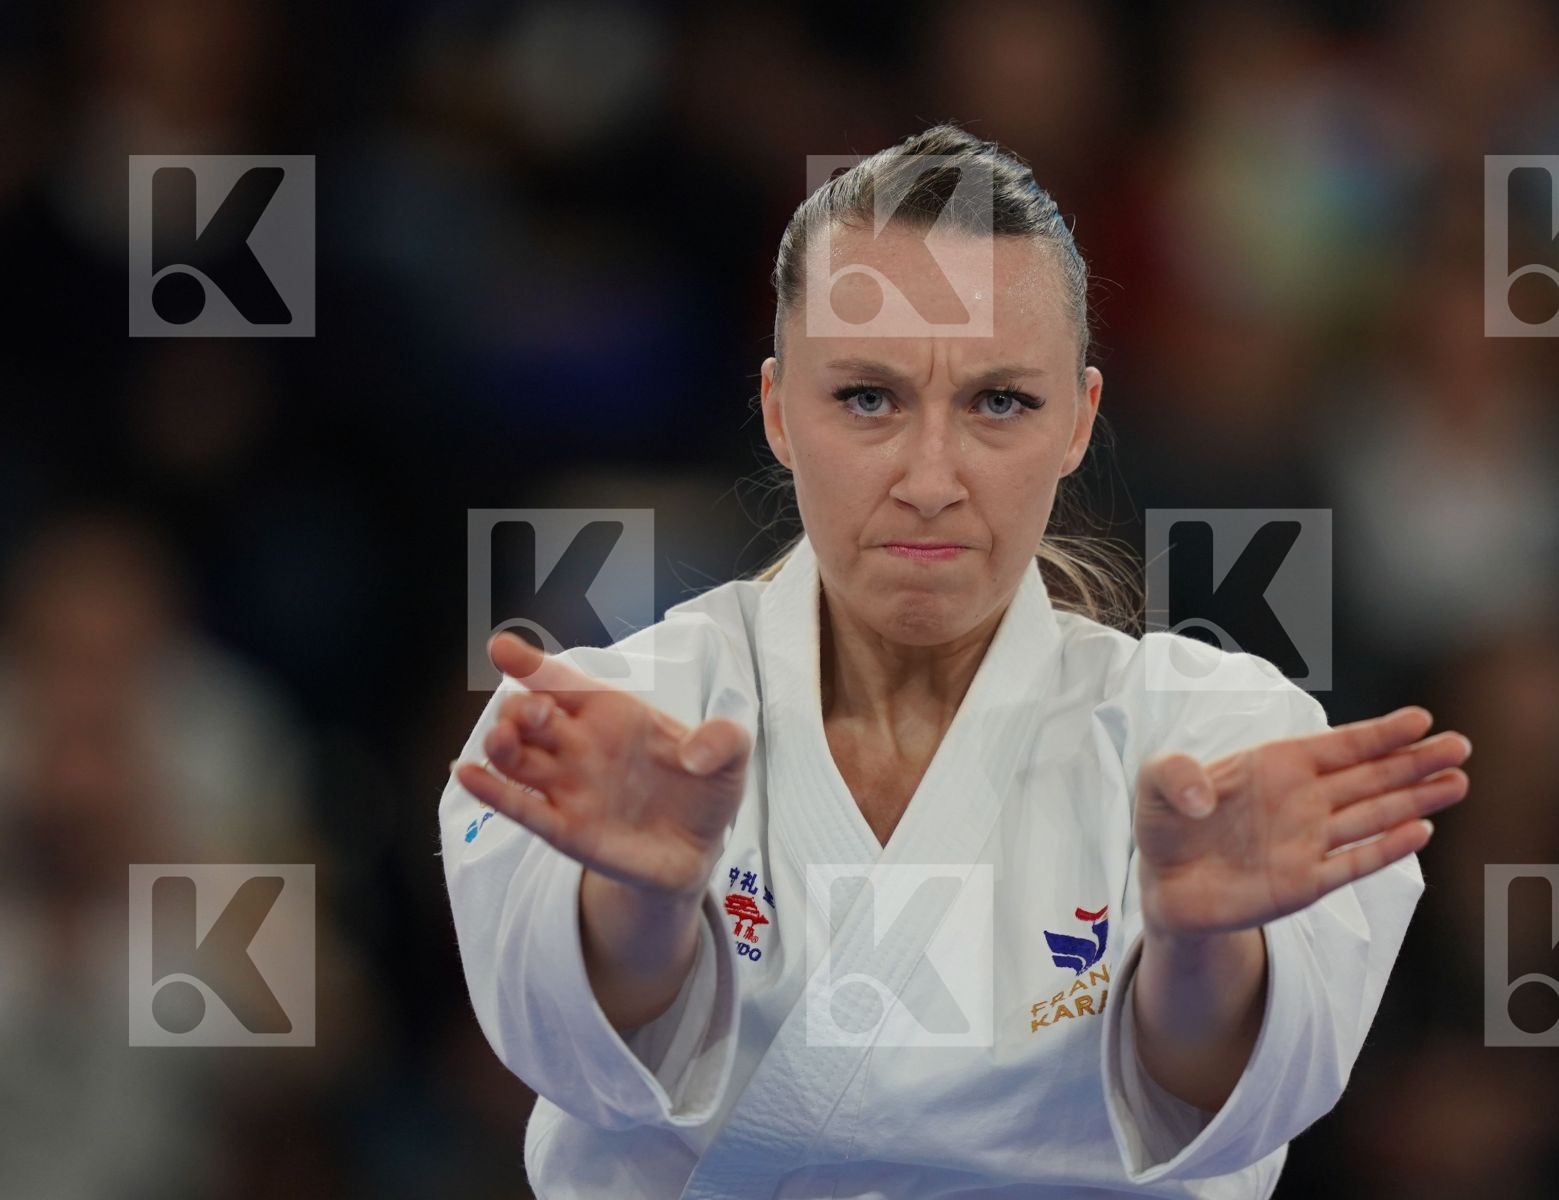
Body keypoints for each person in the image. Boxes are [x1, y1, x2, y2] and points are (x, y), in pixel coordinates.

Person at [440, 123, 1472, 1198]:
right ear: (778, 411)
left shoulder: (1218, 743)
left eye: (999, 402)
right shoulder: (615, 723)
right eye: (869, 398)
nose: (931, 476)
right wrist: (641, 908)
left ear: (1078, 420)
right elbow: (567, 1059)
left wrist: (1202, 948)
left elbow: (1230, 1106)